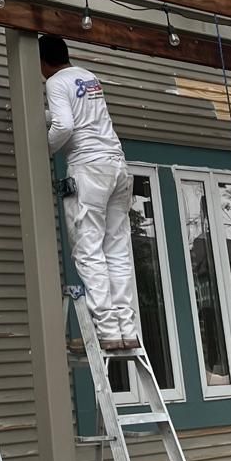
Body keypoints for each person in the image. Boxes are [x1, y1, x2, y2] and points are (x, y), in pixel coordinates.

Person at [39, 34, 138, 354]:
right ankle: (127, 327)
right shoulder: (88, 77)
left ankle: (107, 330)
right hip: (117, 167)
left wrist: (42, 146)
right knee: (117, 248)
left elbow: (65, 127)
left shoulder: (55, 82)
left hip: (88, 169)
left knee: (89, 248)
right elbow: (78, 118)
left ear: (43, 63)